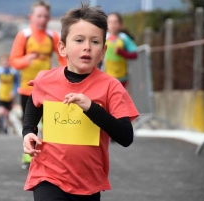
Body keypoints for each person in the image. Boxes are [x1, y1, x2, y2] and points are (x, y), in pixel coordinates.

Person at [22, 2, 139, 201]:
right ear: (62, 47)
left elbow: (125, 136)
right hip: (47, 176)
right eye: (79, 40)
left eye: (94, 42)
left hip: (88, 183)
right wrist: (28, 132)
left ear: (102, 51)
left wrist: (92, 108)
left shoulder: (111, 87)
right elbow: (34, 103)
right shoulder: (45, 80)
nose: (87, 47)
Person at [9, 0, 66, 169]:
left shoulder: (53, 36)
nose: (42, 19)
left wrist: (65, 74)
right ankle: (29, 155)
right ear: (31, 17)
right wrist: (27, 59)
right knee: (30, 125)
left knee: (50, 123)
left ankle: (50, 155)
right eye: (39, 16)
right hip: (27, 88)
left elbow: (63, 59)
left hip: (47, 88)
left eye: (45, 16)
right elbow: (13, 61)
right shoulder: (24, 35)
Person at [104, 12, 138, 88]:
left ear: (120, 24)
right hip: (107, 76)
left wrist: (121, 52)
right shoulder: (103, 38)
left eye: (115, 22)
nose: (112, 24)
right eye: (110, 22)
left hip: (122, 77)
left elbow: (135, 54)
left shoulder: (124, 38)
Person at [0, 54, 19, 134]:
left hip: (8, 96)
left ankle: (4, 128)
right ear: (1, 62)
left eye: (7, 61)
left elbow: (17, 83)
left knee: (7, 112)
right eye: (4, 61)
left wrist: (14, 92)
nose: (6, 63)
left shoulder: (13, 72)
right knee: (0, 110)